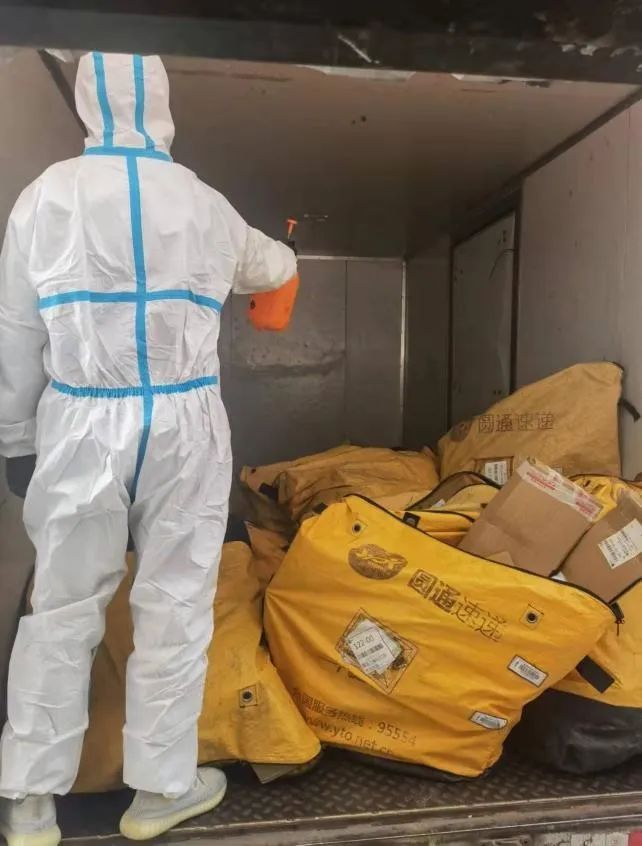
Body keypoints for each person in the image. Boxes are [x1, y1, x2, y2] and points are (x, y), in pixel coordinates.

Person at [0, 52, 296, 846]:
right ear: (161, 103)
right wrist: (273, 282)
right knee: (175, 604)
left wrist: (16, 439)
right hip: (183, 420)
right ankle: (160, 790)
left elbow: (14, 331)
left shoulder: (45, 195)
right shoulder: (202, 201)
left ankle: (28, 800)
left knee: (61, 609)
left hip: (79, 419)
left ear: (87, 101)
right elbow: (277, 267)